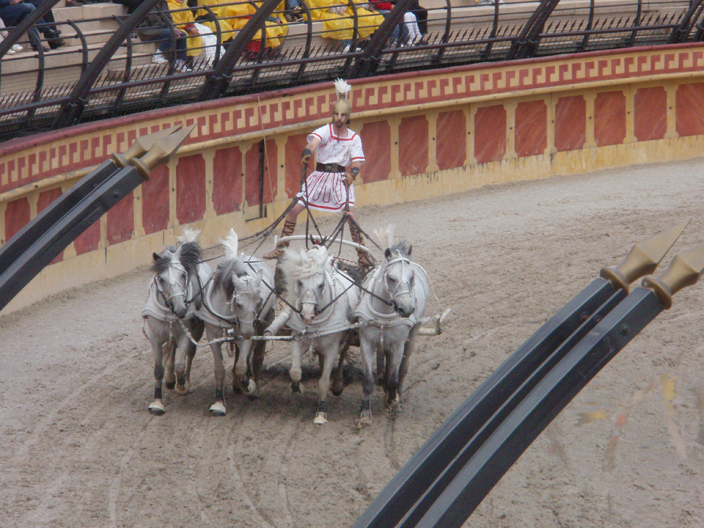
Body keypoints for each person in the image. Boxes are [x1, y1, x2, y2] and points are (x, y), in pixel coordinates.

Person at [264, 78, 373, 268]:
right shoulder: (324, 130)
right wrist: (307, 152)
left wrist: (353, 174)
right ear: (333, 115)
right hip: (319, 177)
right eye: (336, 115)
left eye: (343, 115)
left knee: (350, 214)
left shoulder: (354, 138)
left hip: (340, 180)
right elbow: (313, 143)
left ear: (347, 116)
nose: (339, 118)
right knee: (294, 209)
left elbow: (356, 161)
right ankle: (282, 246)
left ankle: (362, 253)